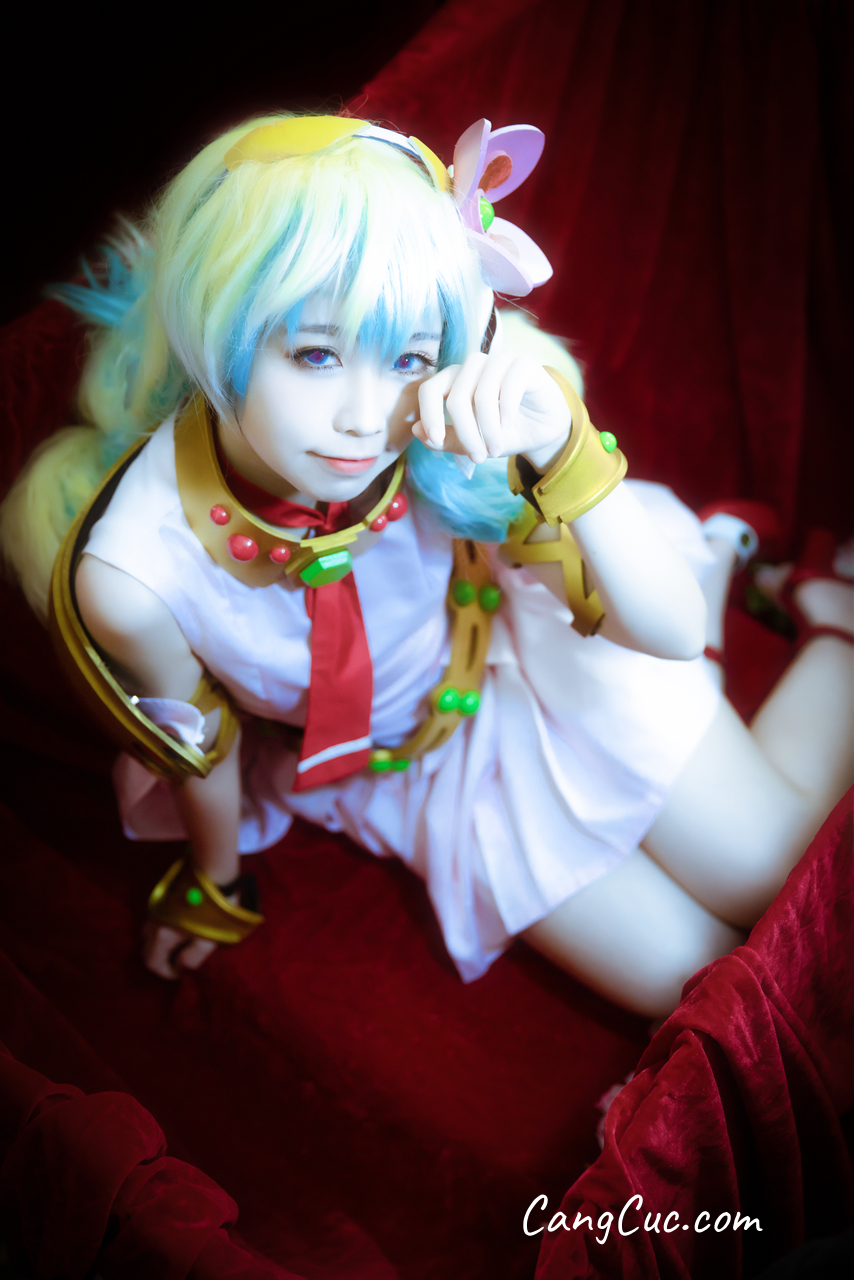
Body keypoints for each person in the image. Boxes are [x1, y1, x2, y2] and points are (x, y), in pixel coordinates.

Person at [1, 113, 851, 1018]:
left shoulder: (451, 417)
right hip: (414, 773)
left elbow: (669, 633)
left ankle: (826, 609)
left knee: (770, 871)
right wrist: (218, 881)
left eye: (407, 356)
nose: (368, 416)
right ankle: (735, 559)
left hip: (532, 644)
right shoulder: (130, 576)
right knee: (700, 982)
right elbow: (203, 756)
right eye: (316, 353)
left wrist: (562, 443)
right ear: (218, 326)